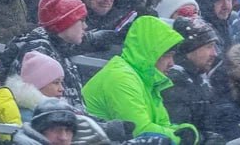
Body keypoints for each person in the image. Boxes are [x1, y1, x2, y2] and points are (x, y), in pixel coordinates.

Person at [82, 15, 196, 144]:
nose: (172, 63)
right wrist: (181, 138)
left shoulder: (146, 79)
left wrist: (187, 132)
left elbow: (162, 124)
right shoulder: (121, 78)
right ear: (150, 54)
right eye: (167, 56)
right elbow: (139, 132)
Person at [0, 0, 90, 110]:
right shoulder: (39, 50)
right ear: (65, 22)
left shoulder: (61, 49)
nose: (85, 26)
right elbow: (46, 110)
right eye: (81, 20)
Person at [162, 17, 221, 134]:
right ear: (190, 49)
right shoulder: (175, 82)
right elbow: (181, 134)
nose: (214, 53)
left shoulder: (198, 79)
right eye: (209, 46)